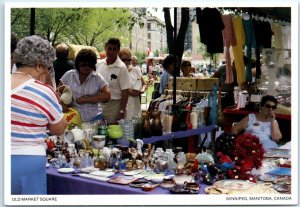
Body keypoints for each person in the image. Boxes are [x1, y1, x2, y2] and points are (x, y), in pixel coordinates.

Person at [11, 35, 68, 194]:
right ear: (38, 66)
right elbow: (59, 128)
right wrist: (48, 88)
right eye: (47, 68)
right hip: (27, 160)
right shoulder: (42, 91)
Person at [58, 49, 111, 122]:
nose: (87, 67)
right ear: (77, 64)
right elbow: (58, 92)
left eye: (90, 65)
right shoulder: (69, 75)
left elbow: (107, 95)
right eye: (83, 65)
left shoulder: (97, 78)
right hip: (73, 118)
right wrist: (62, 104)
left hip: (94, 118)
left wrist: (86, 99)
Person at [96, 38, 130, 124]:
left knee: (112, 135)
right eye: (109, 48)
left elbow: (125, 91)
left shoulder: (121, 67)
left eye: (114, 49)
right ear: (105, 48)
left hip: (114, 107)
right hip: (99, 106)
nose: (111, 52)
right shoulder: (99, 64)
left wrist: (121, 111)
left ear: (118, 50)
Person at [119, 47, 148, 120]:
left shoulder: (136, 70)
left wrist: (142, 90)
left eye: (128, 59)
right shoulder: (117, 71)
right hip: (122, 104)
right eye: (124, 59)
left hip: (135, 103)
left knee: (136, 125)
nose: (126, 61)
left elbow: (144, 84)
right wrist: (128, 91)